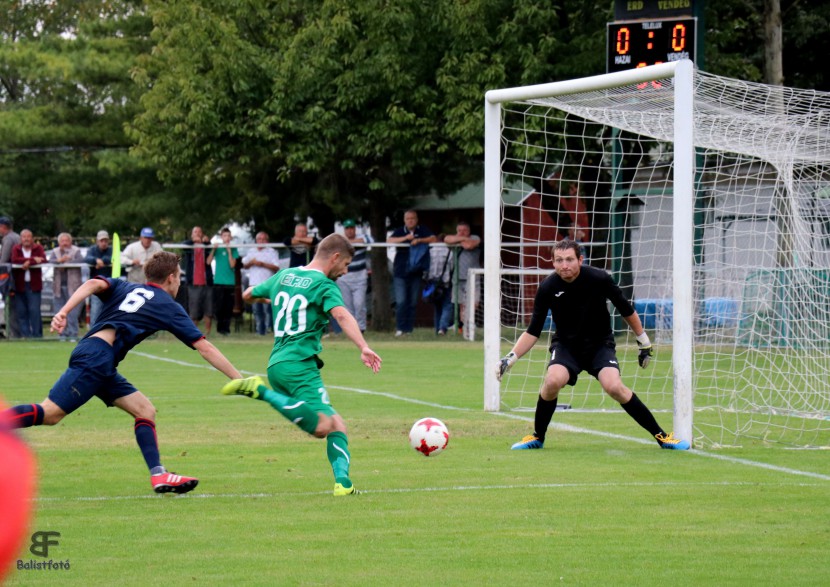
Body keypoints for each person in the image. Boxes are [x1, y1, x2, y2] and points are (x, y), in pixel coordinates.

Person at [0, 251, 244, 495]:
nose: (179, 282)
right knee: (50, 413)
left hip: (98, 357)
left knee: (144, 410)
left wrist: (64, 311)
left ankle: (159, 475)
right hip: (96, 359)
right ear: (171, 278)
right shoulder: (168, 306)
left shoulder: (126, 287)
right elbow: (205, 347)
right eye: (179, 277)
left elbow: (93, 283)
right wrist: (239, 379)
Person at [221, 234, 382, 496]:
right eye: (346, 264)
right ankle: (260, 391)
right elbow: (341, 314)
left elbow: (249, 294)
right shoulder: (324, 285)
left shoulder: (285, 276)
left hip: (277, 364)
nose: (345, 271)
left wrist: (273, 298)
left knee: (337, 424)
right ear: (335, 257)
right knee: (323, 427)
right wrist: (363, 346)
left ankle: (343, 482)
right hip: (300, 365)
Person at [497, 240, 690, 451]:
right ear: (553, 263)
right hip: (567, 347)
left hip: (600, 345)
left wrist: (643, 342)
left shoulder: (599, 279)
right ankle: (537, 437)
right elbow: (533, 331)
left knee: (614, 387)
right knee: (552, 381)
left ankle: (662, 437)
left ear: (580, 260)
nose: (564, 265)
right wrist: (510, 358)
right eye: (559, 260)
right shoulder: (547, 288)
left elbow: (626, 309)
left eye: (569, 259)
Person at [387, 210, 436, 336]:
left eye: (412, 218)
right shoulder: (400, 231)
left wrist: (419, 241)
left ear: (417, 219)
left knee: (413, 302)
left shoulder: (422, 230)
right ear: (404, 220)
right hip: (400, 271)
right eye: (408, 218)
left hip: (416, 272)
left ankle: (408, 329)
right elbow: (389, 241)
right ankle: (400, 328)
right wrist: (406, 238)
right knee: (401, 301)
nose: (410, 221)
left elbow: (433, 239)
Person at [331, 219, 369, 334]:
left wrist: (350, 241)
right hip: (344, 277)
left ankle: (361, 328)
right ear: (344, 229)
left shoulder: (361, 237)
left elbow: (368, 240)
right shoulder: (340, 241)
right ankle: (351, 330)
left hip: (360, 277)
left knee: (359, 304)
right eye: (347, 228)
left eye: (352, 228)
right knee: (347, 306)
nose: (350, 230)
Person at [443, 220, 481, 336]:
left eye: (464, 231)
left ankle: (470, 322)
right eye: (459, 231)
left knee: (474, 301)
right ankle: (463, 326)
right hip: (458, 276)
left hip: (473, 275)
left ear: (469, 231)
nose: (462, 233)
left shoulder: (475, 238)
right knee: (461, 303)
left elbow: (469, 245)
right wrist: (462, 239)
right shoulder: (456, 238)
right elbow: (446, 239)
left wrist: (461, 240)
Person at [242, 231, 280, 335]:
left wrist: (262, 264)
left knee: (268, 308)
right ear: (256, 240)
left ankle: (269, 329)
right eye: (259, 239)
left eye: (263, 239)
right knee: (256, 309)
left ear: (267, 241)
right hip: (254, 284)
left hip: (267, 284)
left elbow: (276, 267)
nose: (261, 241)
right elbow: (244, 264)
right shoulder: (251, 251)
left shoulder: (272, 251)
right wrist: (252, 263)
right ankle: (260, 330)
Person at [48, 232, 85, 341]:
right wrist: (59, 261)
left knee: (73, 312)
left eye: (66, 240)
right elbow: (50, 261)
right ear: (59, 242)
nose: (64, 243)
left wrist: (68, 261)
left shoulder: (76, 251)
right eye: (62, 241)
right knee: (59, 312)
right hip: (58, 287)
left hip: (73, 287)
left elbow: (81, 260)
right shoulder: (55, 252)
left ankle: (73, 334)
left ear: (70, 241)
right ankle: (62, 334)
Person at [10, 229, 46, 338]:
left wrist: (29, 262)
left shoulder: (38, 248)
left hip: (34, 285)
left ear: (32, 238)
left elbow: (44, 259)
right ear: (21, 238)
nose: (26, 239)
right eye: (24, 236)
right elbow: (14, 260)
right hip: (19, 285)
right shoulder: (16, 248)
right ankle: (25, 335)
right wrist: (33, 260)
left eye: (28, 236)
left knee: (34, 311)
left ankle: (37, 335)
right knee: (21, 311)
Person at [182, 225, 214, 335]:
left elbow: (210, 248)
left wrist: (205, 242)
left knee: (208, 309)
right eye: (195, 232)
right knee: (194, 310)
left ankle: (208, 333)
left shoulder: (206, 246)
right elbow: (184, 246)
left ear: (202, 234)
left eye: (199, 232)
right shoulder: (188, 246)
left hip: (207, 282)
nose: (197, 233)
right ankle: (193, 332)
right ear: (192, 234)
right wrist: (194, 242)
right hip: (193, 283)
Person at [208, 227, 239, 336]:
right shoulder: (218, 248)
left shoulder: (234, 248)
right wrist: (214, 250)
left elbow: (232, 264)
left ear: (230, 237)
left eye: (228, 236)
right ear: (221, 237)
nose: (226, 238)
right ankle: (219, 328)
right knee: (219, 307)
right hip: (218, 282)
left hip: (230, 282)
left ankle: (226, 329)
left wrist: (229, 251)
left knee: (228, 307)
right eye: (224, 236)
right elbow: (208, 262)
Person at [426, 236, 454, 335]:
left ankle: (437, 328)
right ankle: (442, 328)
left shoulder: (430, 251)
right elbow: (451, 267)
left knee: (437, 307)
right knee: (447, 305)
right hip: (445, 282)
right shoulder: (449, 252)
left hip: (432, 282)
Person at [84, 230, 113, 326]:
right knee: (95, 311)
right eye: (102, 241)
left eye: (105, 241)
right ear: (97, 241)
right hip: (96, 286)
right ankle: (93, 332)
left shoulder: (111, 250)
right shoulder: (92, 249)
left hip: (110, 285)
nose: (104, 243)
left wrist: (102, 261)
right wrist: (96, 261)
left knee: (109, 311)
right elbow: (87, 258)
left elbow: (114, 258)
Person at [0, 216, 21, 338]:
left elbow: (3, 260)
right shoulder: (17, 236)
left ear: (3, 227)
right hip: (17, 277)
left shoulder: (8, 238)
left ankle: (13, 334)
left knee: (11, 307)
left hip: (10, 279)